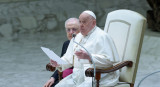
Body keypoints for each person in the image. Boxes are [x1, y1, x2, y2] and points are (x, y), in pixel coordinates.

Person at [51, 10, 120, 87]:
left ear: (93, 23)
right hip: (77, 78)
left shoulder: (102, 36)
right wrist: (58, 63)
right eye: (80, 22)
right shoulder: (77, 37)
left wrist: (89, 57)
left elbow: (109, 60)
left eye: (84, 22)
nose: (81, 25)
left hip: (99, 78)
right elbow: (68, 59)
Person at [43, 18, 80, 87]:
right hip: (63, 74)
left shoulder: (84, 43)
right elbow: (62, 62)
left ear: (80, 29)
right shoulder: (66, 44)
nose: (71, 32)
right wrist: (53, 77)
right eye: (68, 30)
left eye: (74, 29)